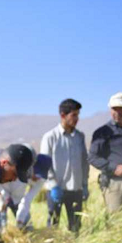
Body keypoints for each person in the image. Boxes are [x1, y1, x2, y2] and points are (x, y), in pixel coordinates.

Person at [40, 98, 89, 232]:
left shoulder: (80, 137)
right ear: (63, 115)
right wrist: (53, 185)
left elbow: (84, 162)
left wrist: (84, 184)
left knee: (76, 227)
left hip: (76, 190)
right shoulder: (50, 137)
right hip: (56, 190)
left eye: (78, 115)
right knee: (53, 226)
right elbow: (45, 164)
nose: (77, 119)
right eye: (74, 115)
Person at [0, 152, 52, 230]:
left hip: (18, 198)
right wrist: (3, 199)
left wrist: (20, 220)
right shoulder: (17, 169)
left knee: (28, 227)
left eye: (40, 175)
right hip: (3, 192)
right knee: (1, 220)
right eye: (35, 174)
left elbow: (27, 199)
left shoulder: (40, 181)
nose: (36, 178)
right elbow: (0, 183)